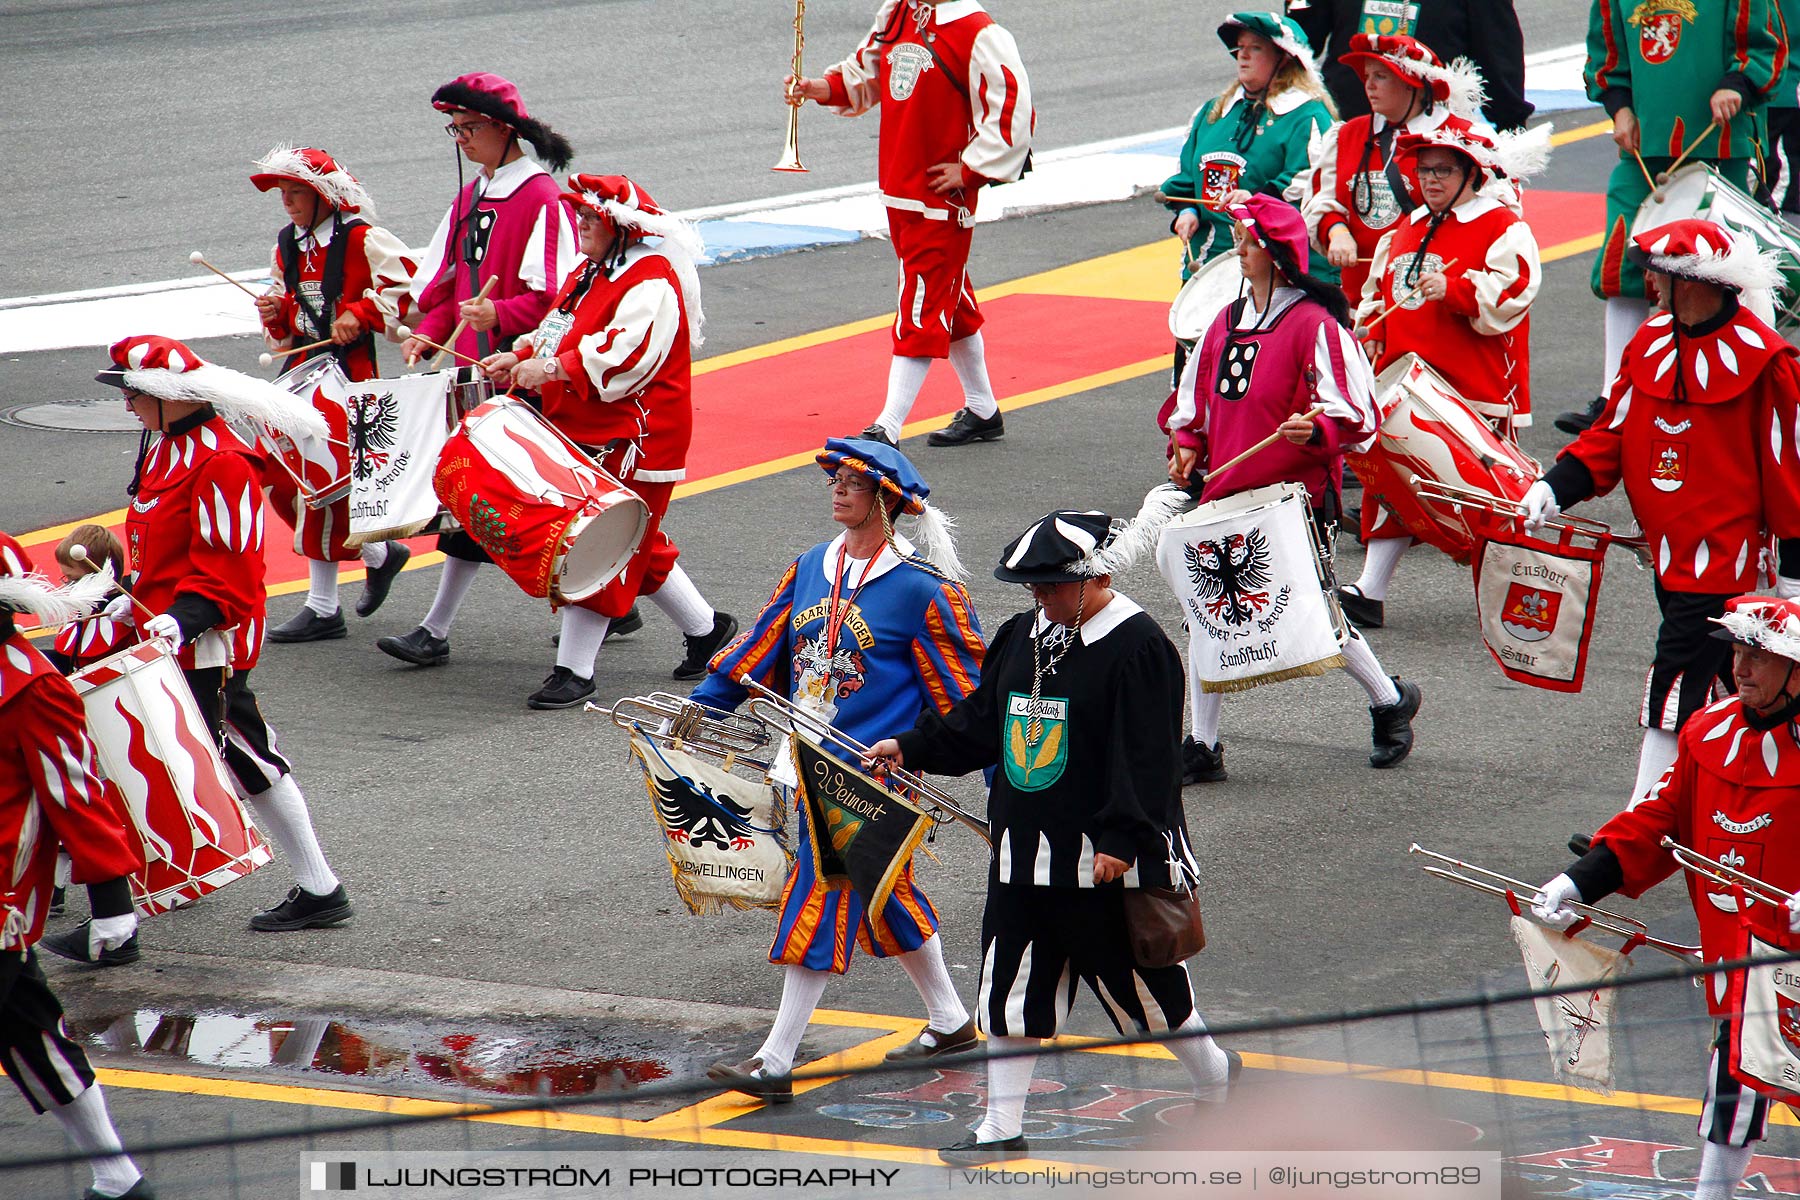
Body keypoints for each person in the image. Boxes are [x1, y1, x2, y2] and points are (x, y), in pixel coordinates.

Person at [866, 505, 1241, 1164]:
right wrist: (912, 744)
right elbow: (983, 720)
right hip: (1022, 860)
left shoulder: (1140, 647)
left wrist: (1120, 840)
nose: (1036, 596)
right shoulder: (1022, 633)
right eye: (1032, 586)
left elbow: (1147, 758)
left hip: (1106, 862)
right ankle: (999, 1128)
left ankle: (1214, 1077)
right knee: (1009, 990)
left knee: (1149, 995)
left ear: (1094, 577)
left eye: (1049, 585)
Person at [691, 438, 986, 1102]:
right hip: (806, 764)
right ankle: (950, 1020)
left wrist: (1004, 781)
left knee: (820, 895)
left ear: (885, 499)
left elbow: (968, 699)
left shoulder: (922, 590)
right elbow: (763, 644)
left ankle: (774, 1060)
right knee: (886, 893)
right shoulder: (809, 567)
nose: (837, 490)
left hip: (871, 780)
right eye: (835, 480)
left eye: (853, 482)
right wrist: (701, 706)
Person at [1532, 594, 1800, 1200]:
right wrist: (1580, 881)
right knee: (1737, 1069)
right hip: (1746, 961)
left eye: (1758, 656)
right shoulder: (1708, 732)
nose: (1741, 668)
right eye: (1737, 651)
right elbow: (1655, 822)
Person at [1524, 219, 1800, 809]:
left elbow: (1788, 467)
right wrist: (1553, 487)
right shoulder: (1648, 342)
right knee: (1742, 688)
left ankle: (1640, 819)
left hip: (1726, 560)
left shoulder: (1767, 360)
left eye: (1658, 271)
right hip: (1668, 556)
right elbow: (1610, 435)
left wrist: (1794, 569)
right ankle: (1744, 803)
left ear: (1691, 282)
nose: (1646, 281)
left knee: (1674, 680)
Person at [89, 334, 356, 933]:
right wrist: (130, 601)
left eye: (134, 392)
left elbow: (229, 565)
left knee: (246, 752)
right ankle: (317, 886)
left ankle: (320, 886)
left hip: (209, 637)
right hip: (170, 631)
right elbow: (162, 549)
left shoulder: (223, 461)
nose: (127, 404)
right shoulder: (164, 447)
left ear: (170, 396)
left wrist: (181, 618)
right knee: (240, 752)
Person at [1162, 195, 1421, 783]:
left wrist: (1318, 427)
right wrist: (1188, 444)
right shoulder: (1223, 323)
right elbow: (1193, 404)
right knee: (1207, 614)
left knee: (1311, 609)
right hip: (1225, 489)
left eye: (1248, 242)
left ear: (1277, 256)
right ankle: (1204, 744)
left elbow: (1358, 412)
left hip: (1292, 496)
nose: (1239, 250)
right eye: (1238, 238)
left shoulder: (1315, 326)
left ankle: (1388, 700)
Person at [467, 173, 736, 709]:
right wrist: (519, 356)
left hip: (638, 434)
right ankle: (708, 632)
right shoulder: (590, 270)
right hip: (590, 428)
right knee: (634, 540)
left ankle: (575, 670)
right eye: (580, 216)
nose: (580, 223)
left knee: (598, 541)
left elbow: (624, 359)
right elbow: (556, 329)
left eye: (590, 217)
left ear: (621, 227)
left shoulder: (651, 281)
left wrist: (549, 368)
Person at [384, 72, 605, 662]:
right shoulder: (471, 196)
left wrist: (497, 313)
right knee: (475, 499)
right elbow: (451, 286)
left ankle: (435, 630)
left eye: (469, 127)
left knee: (487, 498)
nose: (460, 138)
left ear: (503, 128)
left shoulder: (540, 198)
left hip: (527, 374)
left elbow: (557, 299)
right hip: (489, 373)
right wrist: (428, 337)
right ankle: (435, 629)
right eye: (453, 129)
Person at [783, 0, 1034, 448]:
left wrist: (972, 169)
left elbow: (1013, 110)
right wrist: (819, 88)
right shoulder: (899, 11)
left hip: (941, 200)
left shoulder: (979, 32)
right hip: (900, 186)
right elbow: (869, 70)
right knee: (948, 298)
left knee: (920, 304)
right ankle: (983, 409)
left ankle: (887, 427)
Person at [0, 531, 157, 1200]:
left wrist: (113, 904)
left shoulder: (33, 688)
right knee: (29, 1032)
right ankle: (118, 1175)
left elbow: (80, 797)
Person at [1338, 122, 1544, 627]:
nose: (1430, 179)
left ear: (1470, 172)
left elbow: (1515, 291)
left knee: (1481, 497)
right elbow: (1375, 295)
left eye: (1444, 170)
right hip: (1407, 384)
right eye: (1424, 169)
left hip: (1472, 389)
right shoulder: (1403, 228)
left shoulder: (1501, 225)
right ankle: (1369, 589)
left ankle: (1513, 600)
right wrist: (1372, 330)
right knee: (1390, 486)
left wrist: (1455, 291)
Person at [1555, 0, 1787, 435]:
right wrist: (1619, 107)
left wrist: (1736, 84)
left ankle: (1732, 391)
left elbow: (1767, 50)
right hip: (1643, 150)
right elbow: (1607, 57)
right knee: (1624, 265)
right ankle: (1614, 399)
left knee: (1723, 272)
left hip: (1720, 148)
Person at [250, 144, 416, 643]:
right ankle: (379, 554)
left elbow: (408, 294)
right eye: (283, 193)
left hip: (349, 375)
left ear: (324, 195)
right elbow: (285, 324)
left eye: (296, 192)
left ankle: (323, 606)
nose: (287, 202)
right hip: (303, 368)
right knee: (281, 474)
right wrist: (274, 312)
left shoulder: (364, 239)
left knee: (328, 484)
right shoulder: (287, 243)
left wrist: (362, 314)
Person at [1163, 12, 1336, 382]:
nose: (1242, 56)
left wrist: (1258, 203)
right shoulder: (1213, 113)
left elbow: (1308, 187)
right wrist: (1188, 211)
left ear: (1284, 58)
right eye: (1240, 48)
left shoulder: (1306, 118)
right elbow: (1185, 180)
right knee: (1195, 384)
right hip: (1210, 268)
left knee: (1254, 382)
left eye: (1255, 48)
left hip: (1273, 274)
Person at [1299, 32, 1491, 307]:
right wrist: (1336, 231)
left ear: (1411, 83)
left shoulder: (1462, 139)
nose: (1369, 85)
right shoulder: (1348, 136)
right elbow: (1322, 200)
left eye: (1381, 76)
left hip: (1432, 300)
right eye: (1367, 76)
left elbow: (1493, 221)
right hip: (1362, 303)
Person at [1284, 0, 1533, 132]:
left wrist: (1510, 126)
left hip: (1431, 134)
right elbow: (1298, 39)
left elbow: (1498, 51)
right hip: (1346, 123)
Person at [46, 525, 136, 673]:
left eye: (74, 580)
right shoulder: (85, 610)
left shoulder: (128, 611)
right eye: (66, 579)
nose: (70, 587)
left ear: (99, 575)